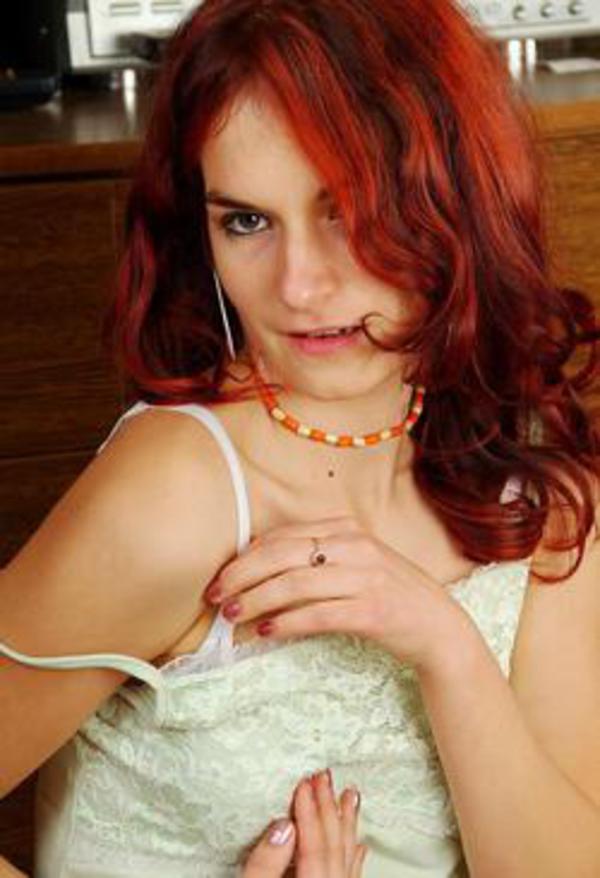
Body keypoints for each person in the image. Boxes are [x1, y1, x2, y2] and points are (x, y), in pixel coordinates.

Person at [1, 0, 599, 875]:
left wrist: (446, 647)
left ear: (459, 203)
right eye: (246, 221)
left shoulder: (527, 461)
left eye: (347, 211)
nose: (299, 287)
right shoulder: (173, 499)